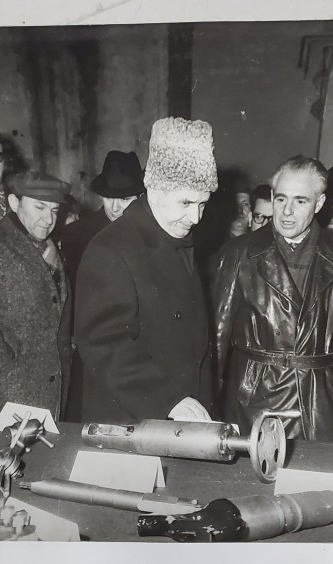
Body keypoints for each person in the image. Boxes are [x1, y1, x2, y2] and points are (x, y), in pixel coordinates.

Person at [212, 155, 333, 440]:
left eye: (300, 201)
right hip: (256, 400)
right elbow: (218, 337)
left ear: (319, 203)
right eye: (281, 199)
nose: (286, 212)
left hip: (322, 400)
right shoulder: (238, 254)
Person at [75, 117, 217, 423]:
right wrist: (169, 400)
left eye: (203, 204)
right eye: (186, 202)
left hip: (182, 415)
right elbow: (103, 344)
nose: (195, 217)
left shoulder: (179, 239)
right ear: (153, 189)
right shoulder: (111, 249)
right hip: (135, 419)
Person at [0, 171, 73, 418]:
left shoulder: (52, 249)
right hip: (6, 394)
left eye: (54, 210)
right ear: (14, 204)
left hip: (52, 393)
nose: (48, 218)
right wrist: (4, 365)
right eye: (39, 207)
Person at [59, 150, 145, 293]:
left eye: (125, 199)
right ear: (101, 196)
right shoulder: (76, 235)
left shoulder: (151, 234)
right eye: (109, 198)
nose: (115, 208)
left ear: (140, 197)